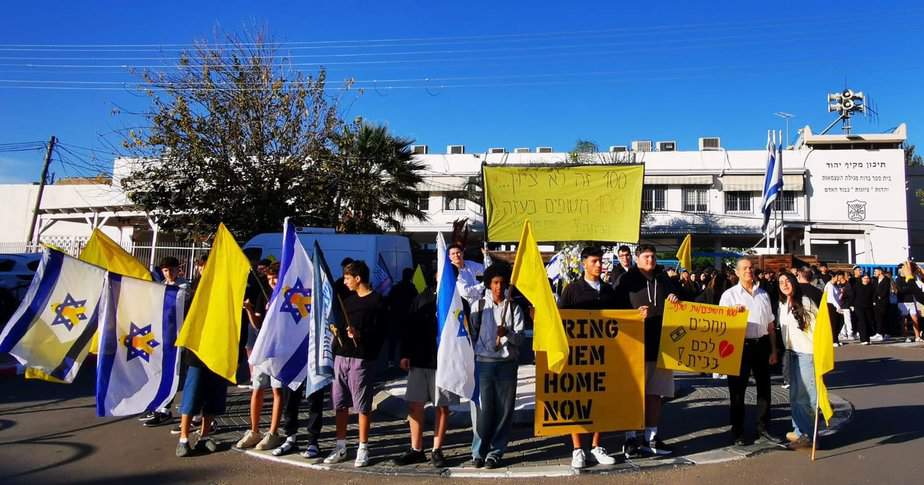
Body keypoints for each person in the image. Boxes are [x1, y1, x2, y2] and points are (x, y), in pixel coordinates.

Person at [613, 244, 680, 458]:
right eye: (646, 256)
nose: (650, 260)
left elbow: (679, 299)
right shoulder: (626, 280)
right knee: (634, 395)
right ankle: (630, 439)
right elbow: (614, 310)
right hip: (634, 346)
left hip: (661, 346)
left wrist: (675, 298)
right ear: (637, 258)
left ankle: (651, 437)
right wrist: (632, 314)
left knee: (655, 395)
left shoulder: (663, 278)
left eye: (653, 256)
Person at [557, 247, 618, 469]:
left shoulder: (610, 291)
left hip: (604, 355)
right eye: (594, 261)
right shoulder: (572, 290)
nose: (599, 265)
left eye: (601, 261)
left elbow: (621, 320)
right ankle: (577, 448)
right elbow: (560, 320)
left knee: (600, 400)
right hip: (579, 356)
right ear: (584, 263)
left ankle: (596, 446)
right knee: (577, 401)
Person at [391, 266, 457, 468]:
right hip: (420, 360)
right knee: (414, 405)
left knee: (442, 406)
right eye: (440, 272)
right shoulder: (421, 297)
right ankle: (416, 449)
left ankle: (437, 449)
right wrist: (404, 353)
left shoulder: (457, 300)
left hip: (444, 363)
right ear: (435, 275)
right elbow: (408, 327)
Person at [324, 260, 386, 467]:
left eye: (347, 277)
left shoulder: (377, 301)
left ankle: (363, 447)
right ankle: (340, 446)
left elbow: (381, 333)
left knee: (362, 406)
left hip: (362, 359)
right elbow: (339, 326)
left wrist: (362, 335)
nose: (345, 281)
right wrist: (337, 331)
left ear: (358, 278)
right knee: (340, 404)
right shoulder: (347, 302)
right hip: (341, 356)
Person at [468, 263, 525, 469]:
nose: (499, 287)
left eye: (502, 283)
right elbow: (471, 335)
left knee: (503, 411)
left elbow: (520, 340)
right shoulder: (479, 306)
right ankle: (478, 451)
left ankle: (496, 451)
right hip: (483, 364)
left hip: (507, 365)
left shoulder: (514, 308)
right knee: (482, 411)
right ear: (489, 284)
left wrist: (507, 333)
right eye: (495, 282)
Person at [719, 258, 779, 445]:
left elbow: (770, 325)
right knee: (737, 392)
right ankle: (737, 432)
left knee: (764, 389)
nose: (749, 271)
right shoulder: (729, 296)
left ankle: (763, 427)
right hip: (738, 346)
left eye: (751, 268)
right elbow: (720, 325)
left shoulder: (763, 294)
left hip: (761, 344)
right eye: (744, 268)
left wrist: (774, 349)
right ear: (736, 272)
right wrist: (732, 315)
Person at [236, 263, 286, 451]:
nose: (272, 281)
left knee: (277, 390)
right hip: (262, 349)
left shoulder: (287, 295)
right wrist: (249, 310)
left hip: (279, 350)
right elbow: (257, 324)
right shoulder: (262, 293)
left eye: (275, 278)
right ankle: (254, 429)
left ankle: (273, 432)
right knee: (257, 388)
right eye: (269, 278)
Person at [141, 257, 191, 427]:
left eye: (171, 270)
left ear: (179, 270)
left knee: (174, 372)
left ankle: (165, 409)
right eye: (165, 270)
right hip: (161, 336)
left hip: (177, 337)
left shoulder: (183, 288)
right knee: (159, 371)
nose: (169, 273)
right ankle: (158, 404)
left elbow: (176, 304)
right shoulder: (161, 286)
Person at [777, 272, 818, 450]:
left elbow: (818, 330)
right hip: (791, 353)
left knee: (805, 397)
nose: (784, 284)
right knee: (794, 396)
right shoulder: (782, 304)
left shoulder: (806, 302)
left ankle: (808, 434)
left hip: (806, 353)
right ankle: (798, 430)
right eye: (781, 282)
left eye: (787, 281)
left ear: (794, 282)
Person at [384, 268, 419, 368]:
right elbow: (415, 301)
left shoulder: (396, 287)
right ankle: (403, 359)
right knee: (405, 339)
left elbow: (388, 300)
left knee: (393, 340)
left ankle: (390, 360)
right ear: (411, 276)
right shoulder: (412, 288)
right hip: (407, 317)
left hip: (395, 316)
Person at [896, 262, 923, 343]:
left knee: (915, 319)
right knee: (904, 320)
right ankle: (905, 336)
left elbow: (915, 288)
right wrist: (910, 288)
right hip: (902, 302)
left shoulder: (911, 278)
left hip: (911, 301)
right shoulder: (898, 279)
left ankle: (917, 336)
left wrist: (910, 288)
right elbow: (901, 290)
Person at [853, 274, 876, 345]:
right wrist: (851, 305)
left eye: (867, 278)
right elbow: (853, 295)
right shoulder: (857, 286)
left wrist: (874, 302)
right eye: (865, 278)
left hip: (869, 307)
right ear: (862, 279)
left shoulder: (871, 286)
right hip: (859, 307)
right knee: (862, 322)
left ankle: (867, 338)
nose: (866, 279)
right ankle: (863, 339)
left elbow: (874, 295)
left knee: (868, 322)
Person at [823, 273, 845, 346]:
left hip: (837, 305)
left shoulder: (836, 286)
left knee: (839, 322)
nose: (840, 279)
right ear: (834, 277)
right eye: (839, 277)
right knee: (833, 323)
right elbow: (831, 298)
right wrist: (838, 307)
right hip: (831, 306)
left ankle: (836, 339)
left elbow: (838, 297)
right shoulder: (829, 285)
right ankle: (833, 340)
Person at [872, 267, 891, 341]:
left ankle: (883, 333)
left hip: (883, 302)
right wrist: (874, 299)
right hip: (876, 302)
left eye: (875, 271)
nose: (874, 273)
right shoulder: (875, 280)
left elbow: (885, 291)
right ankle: (879, 333)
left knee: (883, 318)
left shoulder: (886, 280)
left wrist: (880, 296)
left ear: (880, 271)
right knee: (878, 318)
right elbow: (874, 291)